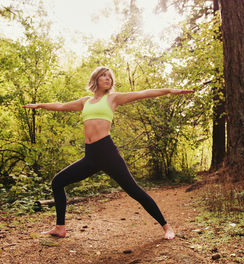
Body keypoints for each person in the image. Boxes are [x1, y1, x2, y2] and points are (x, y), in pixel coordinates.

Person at [23, 66, 193, 240]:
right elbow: (61, 106)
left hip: (107, 152)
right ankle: (60, 228)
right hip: (91, 156)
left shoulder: (113, 98)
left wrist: (170, 91)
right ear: (96, 78)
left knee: (134, 190)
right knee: (58, 182)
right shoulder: (85, 102)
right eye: (103, 76)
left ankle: (167, 227)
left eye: (110, 77)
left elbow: (144, 93)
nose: (107, 79)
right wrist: (39, 105)